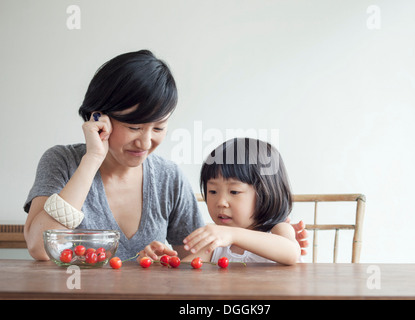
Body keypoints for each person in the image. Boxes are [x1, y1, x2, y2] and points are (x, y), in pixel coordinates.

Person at [23, 49, 308, 261]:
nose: (146, 142)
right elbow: (39, 247)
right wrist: (93, 158)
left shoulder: (168, 177)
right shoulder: (61, 162)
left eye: (159, 127)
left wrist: (165, 261)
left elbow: (197, 257)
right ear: (99, 117)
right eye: (134, 126)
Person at [180, 138, 301, 265]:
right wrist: (162, 260)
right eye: (213, 191)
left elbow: (291, 253)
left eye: (234, 191)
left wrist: (233, 235)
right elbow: (184, 270)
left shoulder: (278, 229)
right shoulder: (216, 242)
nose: (221, 202)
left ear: (265, 193)